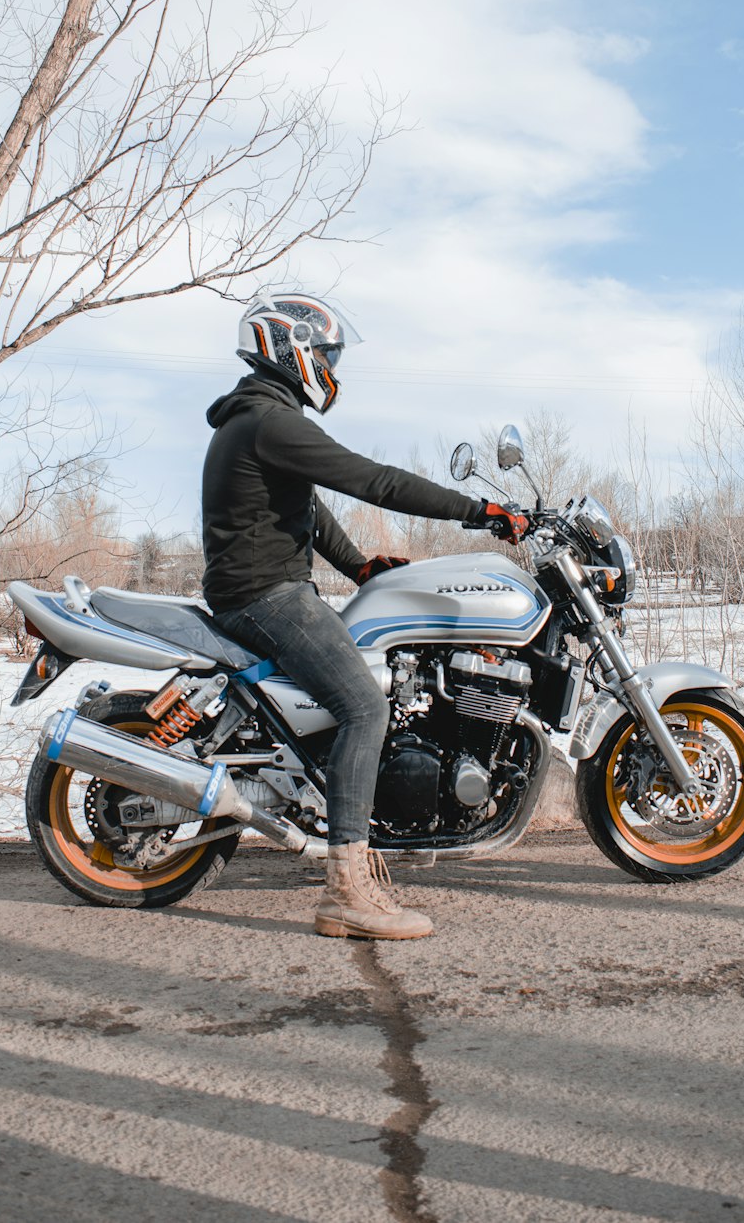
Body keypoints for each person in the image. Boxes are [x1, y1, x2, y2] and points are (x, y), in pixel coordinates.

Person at [202, 291, 529, 939]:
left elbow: (305, 510)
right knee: (365, 706)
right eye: (325, 354)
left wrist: (358, 569)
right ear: (289, 349)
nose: (331, 367)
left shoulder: (261, 418)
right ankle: (347, 890)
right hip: (265, 596)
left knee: (376, 687)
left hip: (265, 589)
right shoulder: (269, 419)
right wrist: (480, 512)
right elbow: (373, 481)